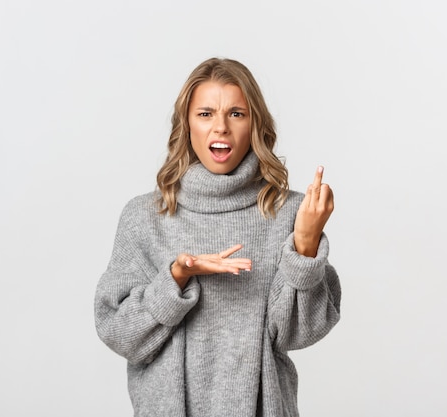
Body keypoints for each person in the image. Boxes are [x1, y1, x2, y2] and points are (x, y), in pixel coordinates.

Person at [94, 57, 341, 417]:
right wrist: (177, 278)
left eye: (237, 114)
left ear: (255, 123)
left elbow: (301, 333)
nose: (221, 127)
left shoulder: (291, 212)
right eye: (206, 114)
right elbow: (119, 333)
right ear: (187, 124)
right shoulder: (144, 216)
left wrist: (304, 246)